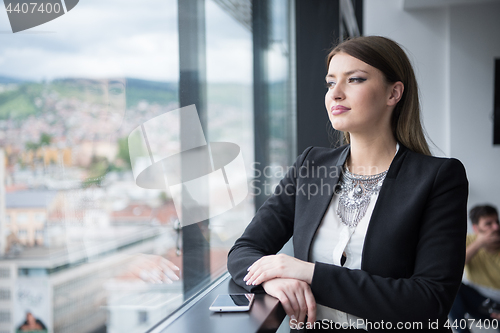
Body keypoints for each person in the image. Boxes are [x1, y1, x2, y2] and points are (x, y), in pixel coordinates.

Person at [227, 36, 468, 332]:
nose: (336, 94)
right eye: (330, 83)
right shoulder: (310, 166)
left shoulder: (439, 178)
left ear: (394, 93)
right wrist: (276, 279)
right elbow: (244, 251)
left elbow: (430, 302)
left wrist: (309, 273)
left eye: (354, 80)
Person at [449, 205, 500, 332]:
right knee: (451, 286)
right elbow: (451, 268)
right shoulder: (467, 241)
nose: (496, 227)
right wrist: (479, 244)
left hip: (498, 306)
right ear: (476, 228)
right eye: (488, 224)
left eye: (496, 222)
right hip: (479, 300)